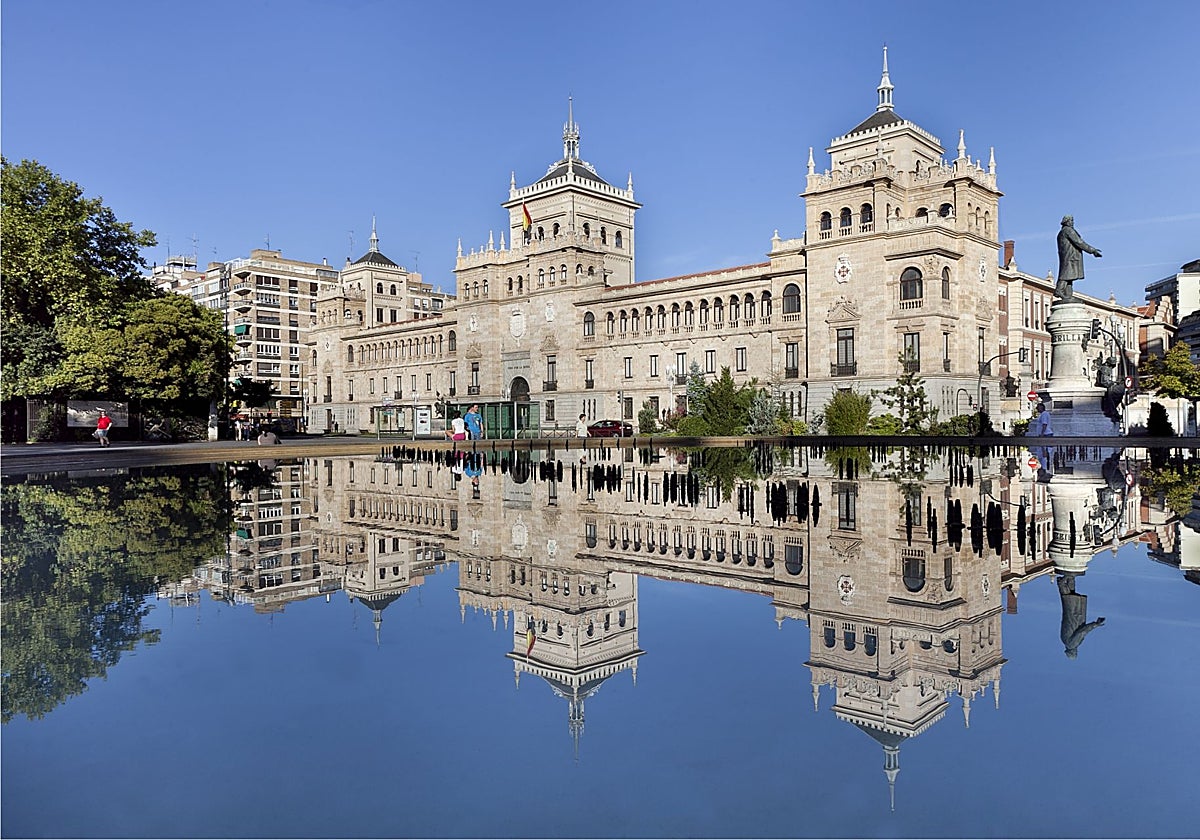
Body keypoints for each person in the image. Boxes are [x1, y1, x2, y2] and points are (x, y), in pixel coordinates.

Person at [1055, 215, 1101, 302]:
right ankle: (1059, 290)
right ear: (1066, 222)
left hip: (1068, 256)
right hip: (1070, 256)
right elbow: (1079, 242)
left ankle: (1068, 295)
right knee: (1066, 274)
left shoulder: (1062, 232)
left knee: (1070, 277)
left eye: (1072, 221)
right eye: (1071, 221)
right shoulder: (1068, 231)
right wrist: (1092, 250)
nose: (1072, 222)